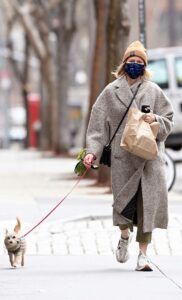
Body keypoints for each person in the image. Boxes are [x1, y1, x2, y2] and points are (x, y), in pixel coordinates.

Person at [83, 41, 174, 271]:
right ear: (124, 64)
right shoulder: (110, 91)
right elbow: (97, 125)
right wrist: (92, 152)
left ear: (145, 66)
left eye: (139, 63)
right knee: (122, 206)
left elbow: (169, 119)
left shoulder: (153, 90)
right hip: (123, 158)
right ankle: (124, 237)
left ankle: (143, 256)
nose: (135, 65)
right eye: (131, 62)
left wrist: (156, 120)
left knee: (147, 207)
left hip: (149, 159)